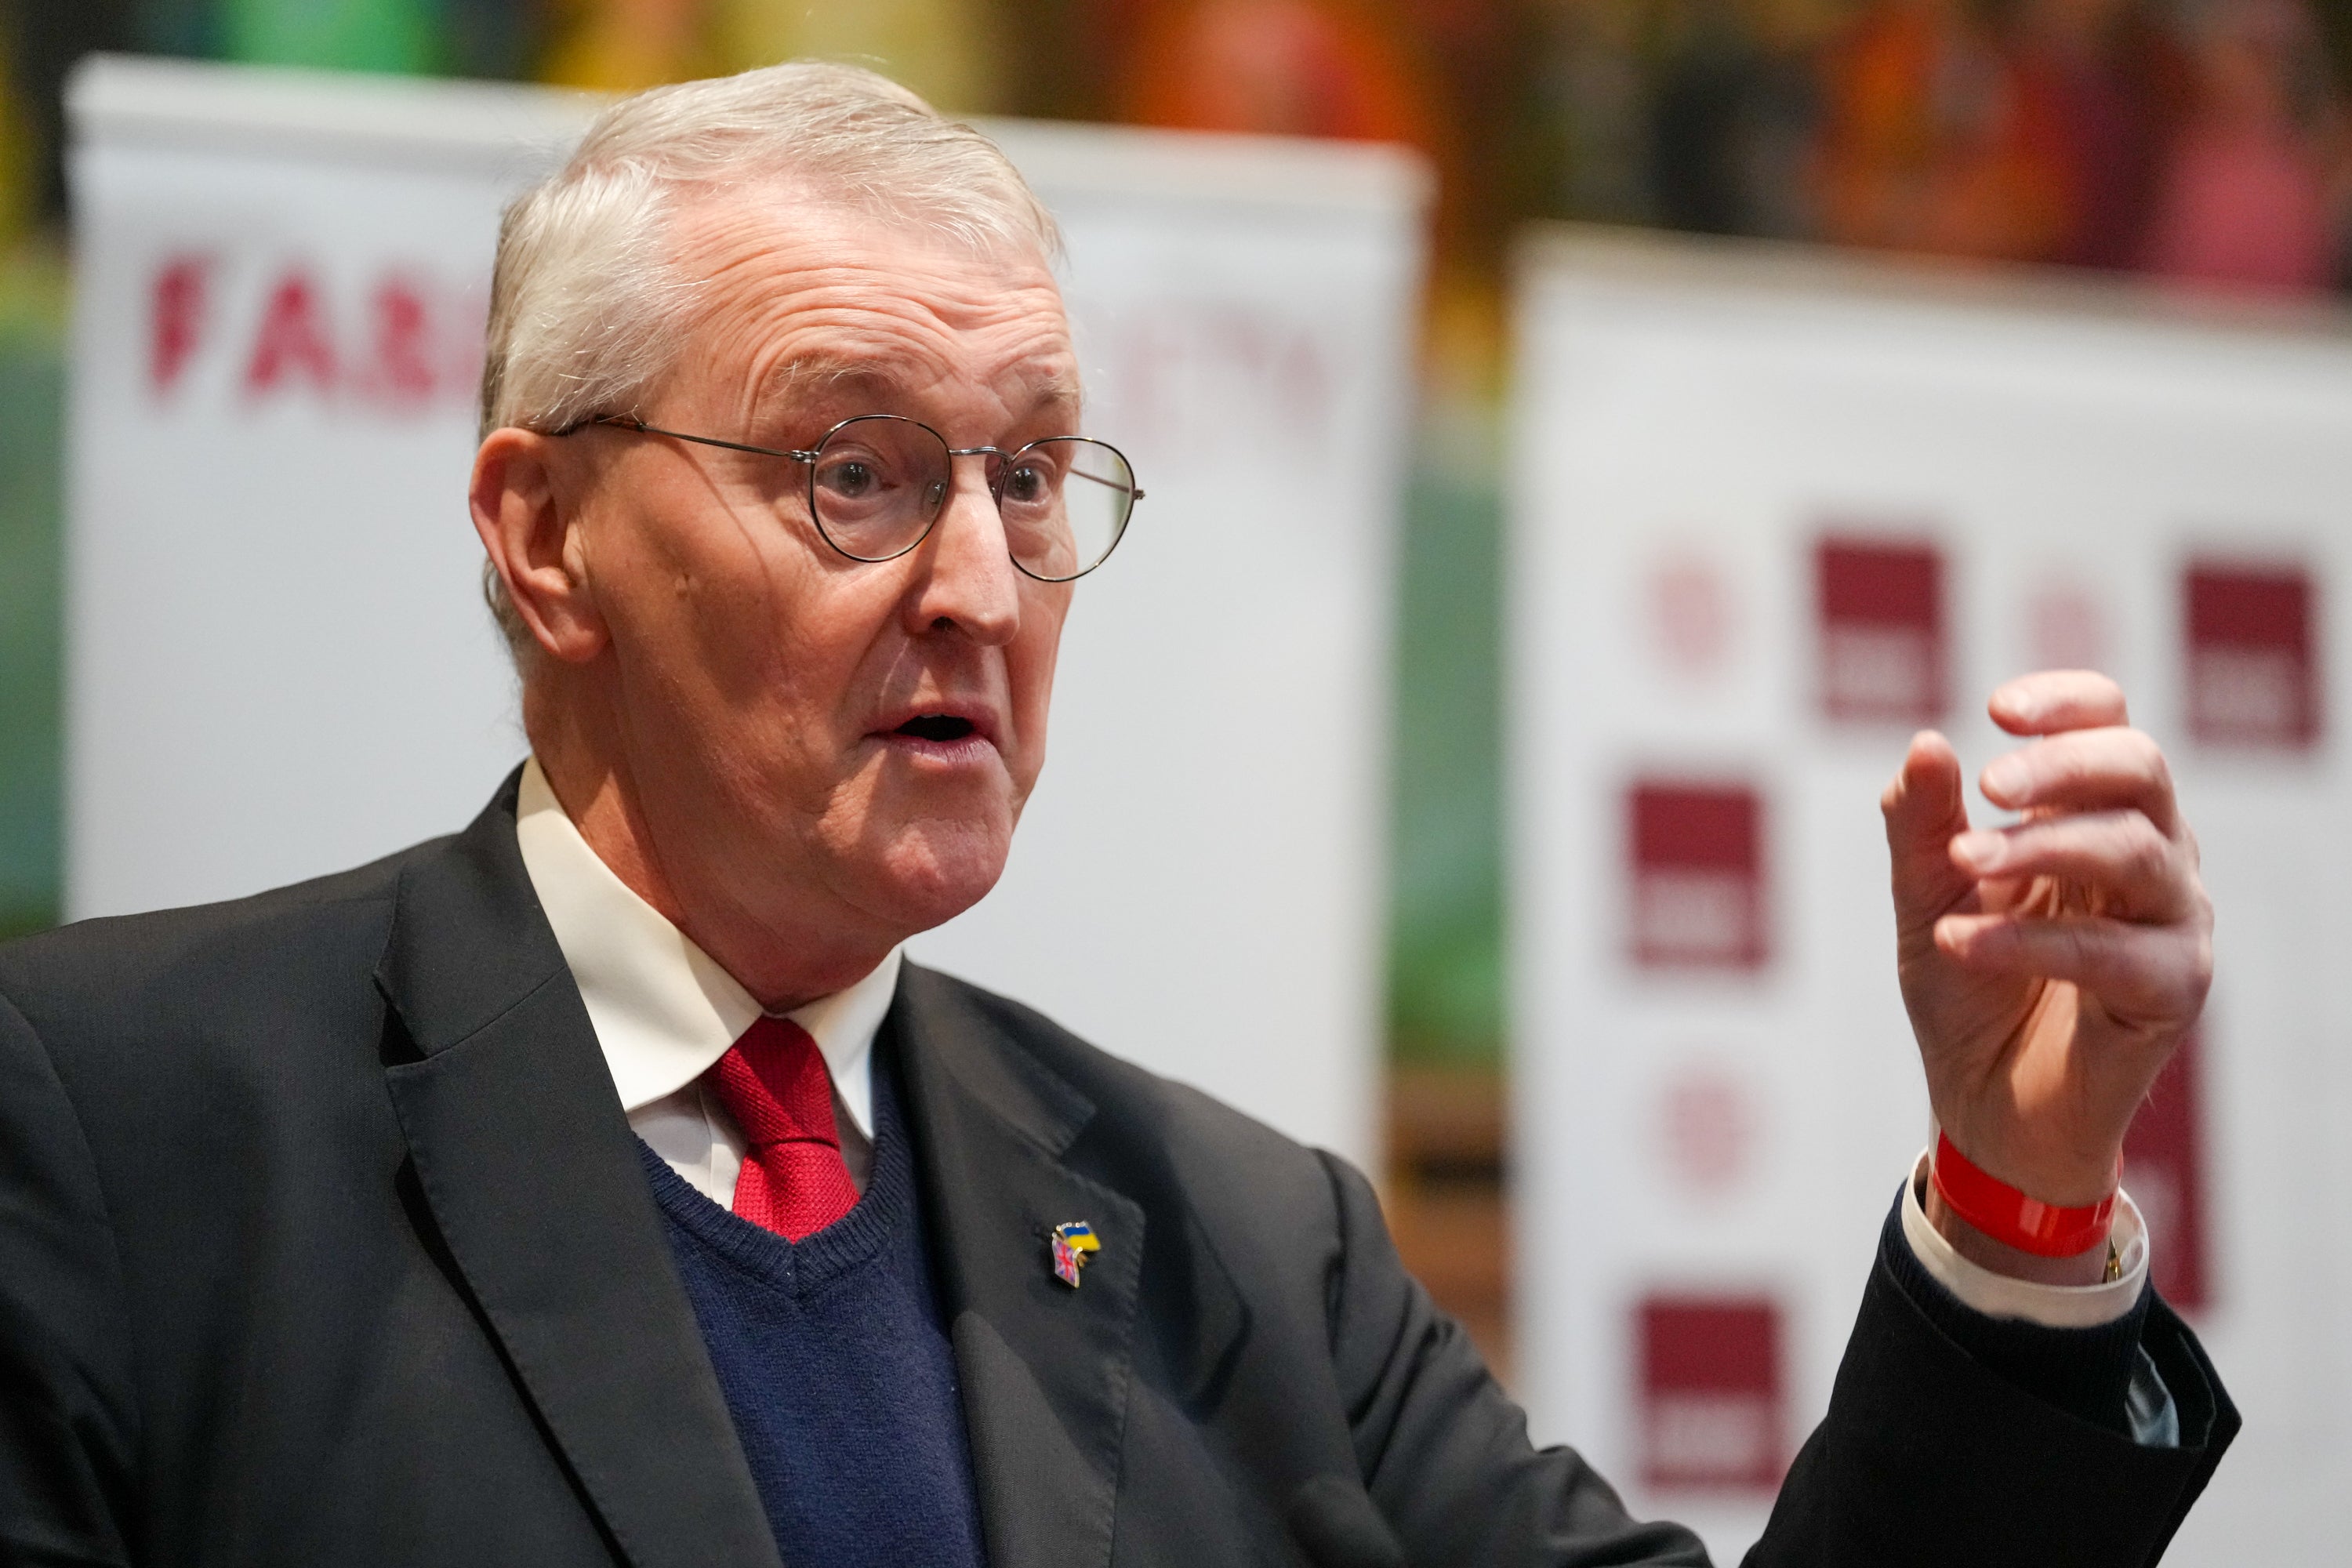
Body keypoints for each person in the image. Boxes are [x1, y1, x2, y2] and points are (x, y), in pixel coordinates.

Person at [0, 62, 2233, 1567]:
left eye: (1031, 474)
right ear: (546, 535)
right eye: (854, 468)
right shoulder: (117, 1129)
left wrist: (2024, 1203)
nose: (979, 582)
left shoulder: (1245, 1250)